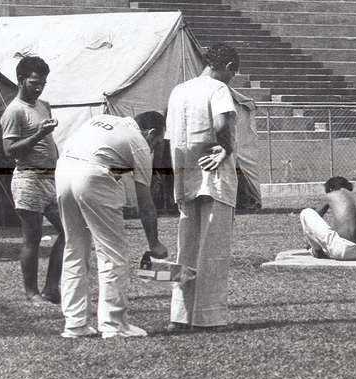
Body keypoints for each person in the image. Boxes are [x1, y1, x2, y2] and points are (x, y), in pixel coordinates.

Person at [55, 111, 169, 339]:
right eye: (156, 142)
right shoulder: (139, 142)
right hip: (93, 174)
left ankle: (75, 324)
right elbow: (145, 205)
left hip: (64, 170)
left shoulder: (106, 121)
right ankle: (114, 325)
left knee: (74, 249)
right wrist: (154, 243)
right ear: (152, 133)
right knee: (113, 255)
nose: (154, 148)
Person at [165, 43, 240, 332]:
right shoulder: (219, 89)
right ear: (229, 67)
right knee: (214, 249)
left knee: (187, 248)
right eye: (233, 73)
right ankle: (209, 317)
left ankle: (180, 315)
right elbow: (222, 123)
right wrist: (227, 149)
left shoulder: (179, 90)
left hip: (185, 176)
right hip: (213, 176)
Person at [0, 56, 64, 305]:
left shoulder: (43, 105)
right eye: (34, 82)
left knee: (70, 231)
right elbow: (9, 150)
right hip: (28, 179)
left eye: (43, 83)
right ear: (21, 80)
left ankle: (51, 288)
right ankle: (32, 293)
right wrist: (39, 134)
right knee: (33, 238)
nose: (39, 87)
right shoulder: (14, 111)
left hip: (51, 178)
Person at [300, 176, 356, 260]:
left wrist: (310, 241)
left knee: (306, 212)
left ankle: (317, 251)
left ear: (331, 188)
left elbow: (315, 217)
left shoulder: (331, 195)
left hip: (342, 250)